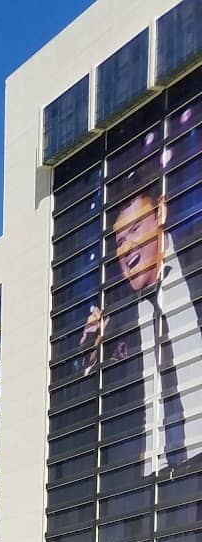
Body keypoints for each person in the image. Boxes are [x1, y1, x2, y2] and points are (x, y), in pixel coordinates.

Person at [78, 179, 202, 478]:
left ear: (160, 212)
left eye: (135, 230)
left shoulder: (195, 255)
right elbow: (87, 421)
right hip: (149, 482)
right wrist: (91, 356)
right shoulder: (116, 316)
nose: (128, 248)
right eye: (119, 241)